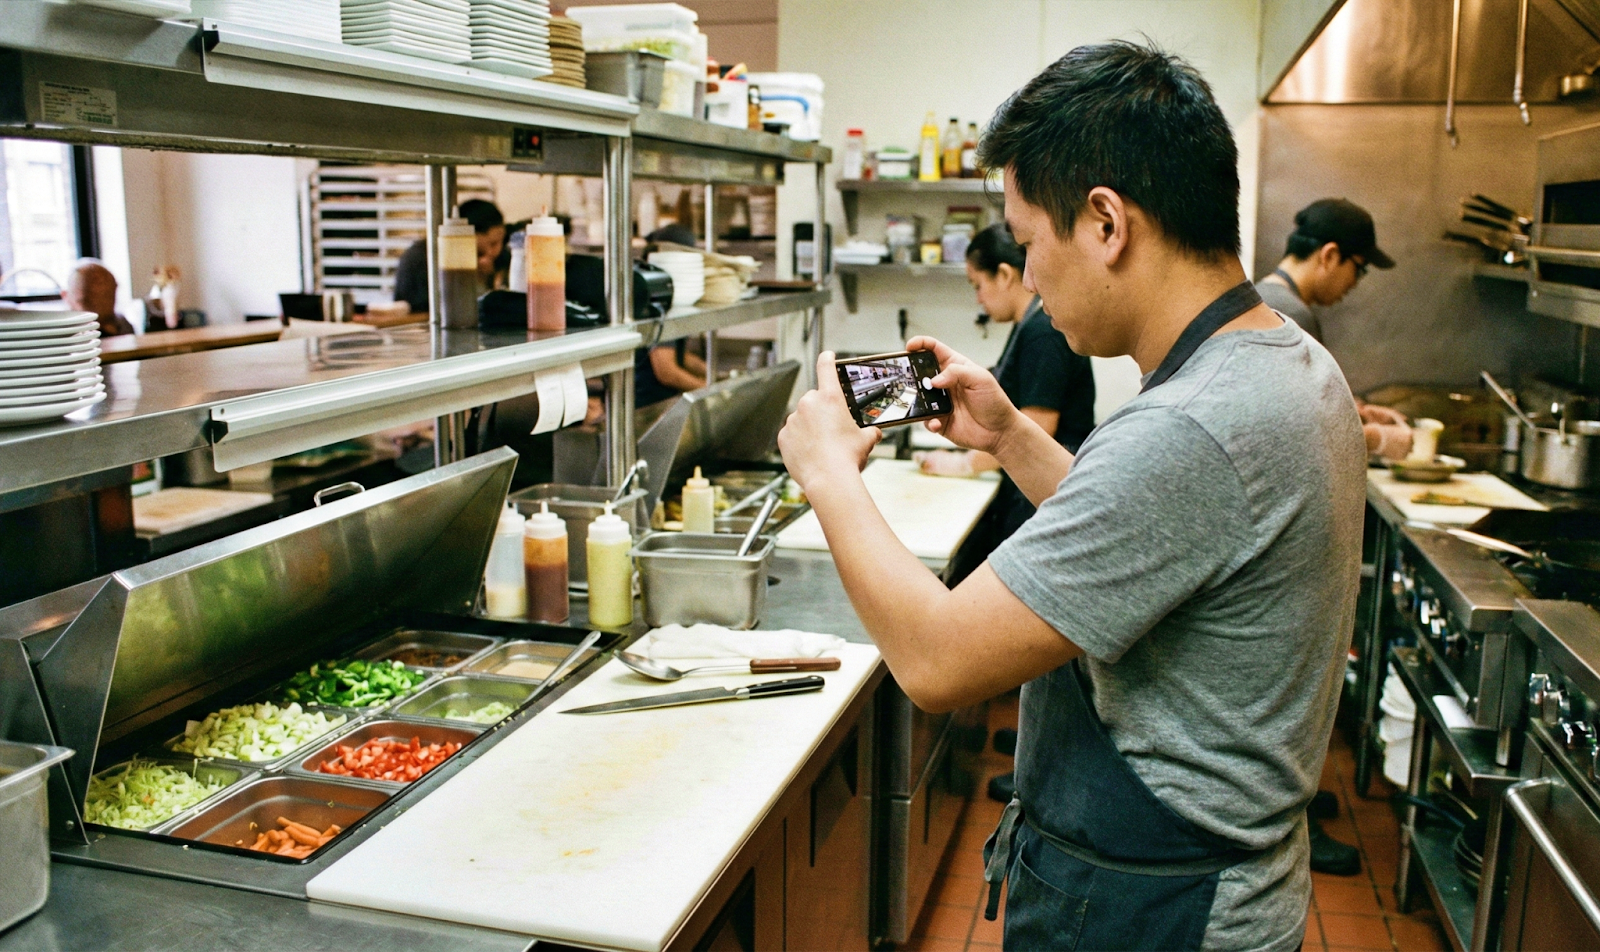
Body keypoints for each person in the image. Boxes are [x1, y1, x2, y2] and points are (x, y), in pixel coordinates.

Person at [778, 41, 1363, 951]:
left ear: (1104, 223)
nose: (1033, 278)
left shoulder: (1189, 427)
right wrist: (1012, 437)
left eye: (1029, 241)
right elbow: (1159, 533)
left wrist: (828, 476)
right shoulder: (1286, 359)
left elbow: (935, 662)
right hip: (1212, 883)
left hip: (1155, 914)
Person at [921, 222, 1095, 588]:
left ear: (1003, 275)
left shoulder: (1043, 332)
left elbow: (1037, 428)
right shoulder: (1026, 326)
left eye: (977, 285)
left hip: (1045, 493)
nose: (979, 299)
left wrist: (961, 464)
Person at [1257, 199, 1411, 459]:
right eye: (1359, 269)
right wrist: (1376, 439)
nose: (1354, 283)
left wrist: (1354, 415)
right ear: (1329, 255)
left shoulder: (1262, 296)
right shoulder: (1292, 316)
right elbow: (1299, 434)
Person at [635, 224, 708, 408]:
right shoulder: (658, 303)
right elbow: (667, 371)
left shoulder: (675, 301)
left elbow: (677, 356)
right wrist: (707, 389)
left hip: (661, 402)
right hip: (647, 405)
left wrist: (708, 371)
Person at [393, 199, 507, 315]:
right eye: (479, 253)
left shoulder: (500, 259)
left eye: (498, 243)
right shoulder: (422, 258)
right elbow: (425, 312)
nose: (492, 253)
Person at [64, 259, 135, 337]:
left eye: (107, 296)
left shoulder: (123, 325)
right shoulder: (60, 330)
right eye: (87, 300)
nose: (98, 303)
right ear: (65, 296)